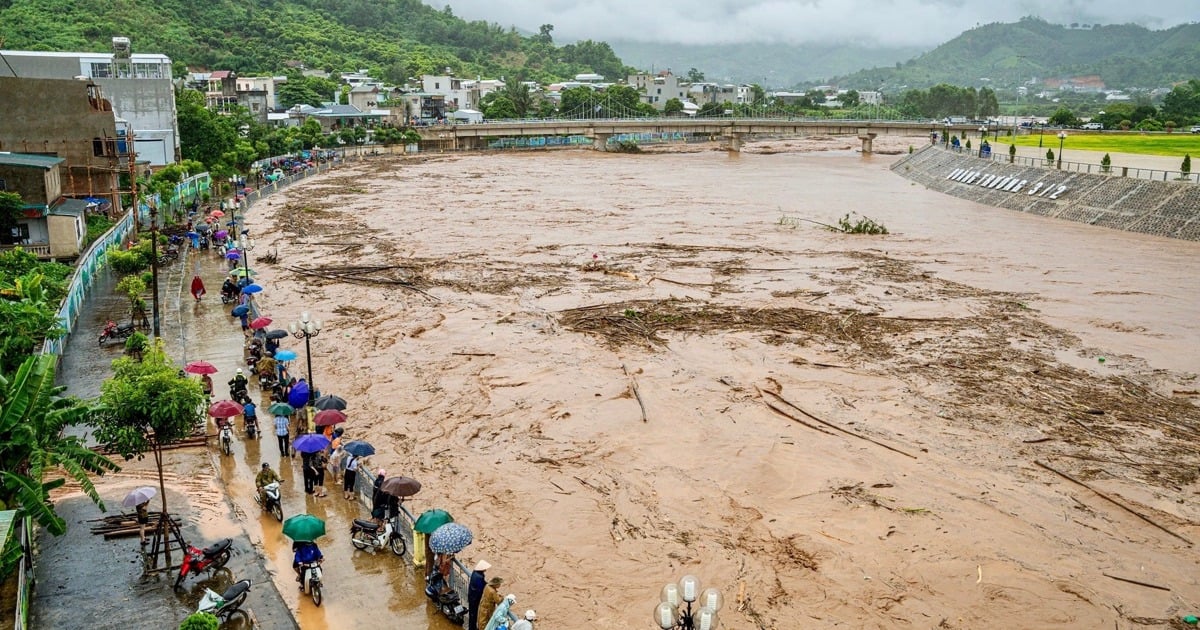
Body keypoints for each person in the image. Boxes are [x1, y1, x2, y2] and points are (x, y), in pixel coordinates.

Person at [467, 560, 491, 630]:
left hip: (472, 596)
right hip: (475, 598)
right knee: (474, 614)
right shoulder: (479, 577)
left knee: (472, 613)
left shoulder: (475, 573)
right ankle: (472, 628)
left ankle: (472, 627)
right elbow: (481, 587)